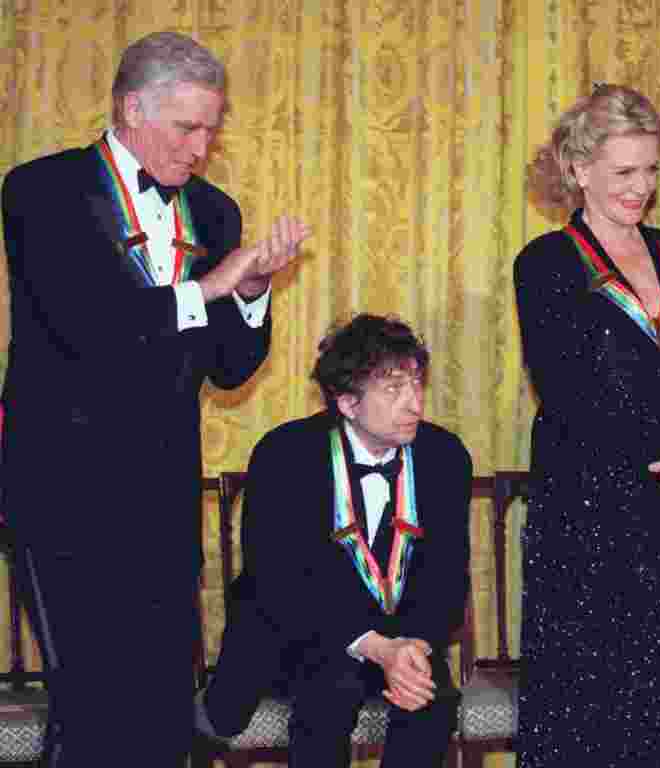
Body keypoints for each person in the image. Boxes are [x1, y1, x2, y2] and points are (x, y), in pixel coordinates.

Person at [0, 31, 310, 766]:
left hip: (164, 498)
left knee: (165, 709)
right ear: (132, 106)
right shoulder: (40, 189)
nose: (201, 148)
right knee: (92, 707)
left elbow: (232, 369)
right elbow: (86, 327)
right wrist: (207, 287)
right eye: (187, 127)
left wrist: (255, 293)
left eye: (211, 128)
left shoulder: (215, 211)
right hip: (61, 490)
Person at [514, 84, 660, 767]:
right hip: (587, 515)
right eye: (623, 173)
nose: (641, 188)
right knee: (589, 712)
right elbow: (571, 392)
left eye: (651, 170)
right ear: (578, 170)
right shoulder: (545, 264)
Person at [196, 314, 471, 767]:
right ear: (347, 402)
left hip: (402, 636)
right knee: (329, 691)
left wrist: (412, 647)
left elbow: (446, 575)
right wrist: (374, 646)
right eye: (393, 390)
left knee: (430, 699)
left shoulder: (444, 456)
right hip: (302, 633)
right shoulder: (286, 455)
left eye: (417, 385)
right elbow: (281, 582)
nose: (415, 404)